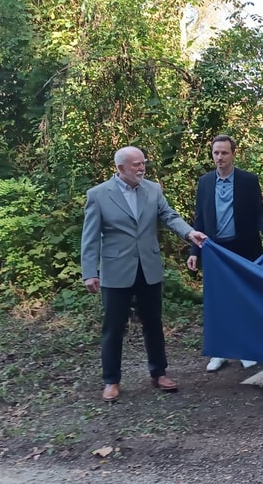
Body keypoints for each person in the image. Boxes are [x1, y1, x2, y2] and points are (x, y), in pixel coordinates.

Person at [81, 146, 208, 403]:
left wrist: (188, 233)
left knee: (153, 323)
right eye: (136, 164)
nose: (142, 168)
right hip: (116, 271)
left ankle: (158, 373)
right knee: (114, 327)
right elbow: (90, 237)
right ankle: (111, 381)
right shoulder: (98, 195)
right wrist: (89, 272)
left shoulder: (153, 189)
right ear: (120, 168)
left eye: (143, 163)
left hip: (148, 268)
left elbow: (168, 215)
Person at [186, 134, 263, 372]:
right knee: (218, 302)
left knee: (246, 299)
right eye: (216, 153)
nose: (219, 157)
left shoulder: (248, 181)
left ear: (233, 154)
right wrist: (194, 250)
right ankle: (220, 352)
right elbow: (199, 220)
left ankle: (246, 349)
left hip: (244, 249)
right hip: (215, 252)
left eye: (224, 152)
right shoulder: (205, 182)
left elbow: (259, 212)